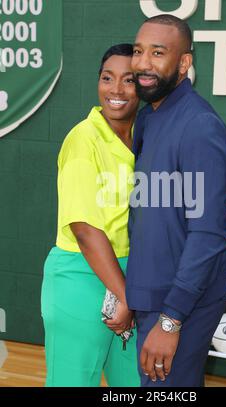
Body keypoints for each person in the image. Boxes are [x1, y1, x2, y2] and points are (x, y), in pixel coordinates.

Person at [123, 15, 226, 387]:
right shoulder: (149, 119)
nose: (143, 63)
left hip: (180, 303)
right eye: (139, 52)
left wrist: (171, 320)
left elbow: (207, 235)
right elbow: (146, 217)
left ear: (184, 63)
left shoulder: (200, 125)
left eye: (158, 53)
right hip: (151, 295)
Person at [41, 44, 140, 387]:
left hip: (133, 275)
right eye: (107, 78)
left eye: (128, 80)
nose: (115, 89)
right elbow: (84, 228)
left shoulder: (146, 138)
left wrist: (134, 293)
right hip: (81, 276)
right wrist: (126, 296)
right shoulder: (83, 138)